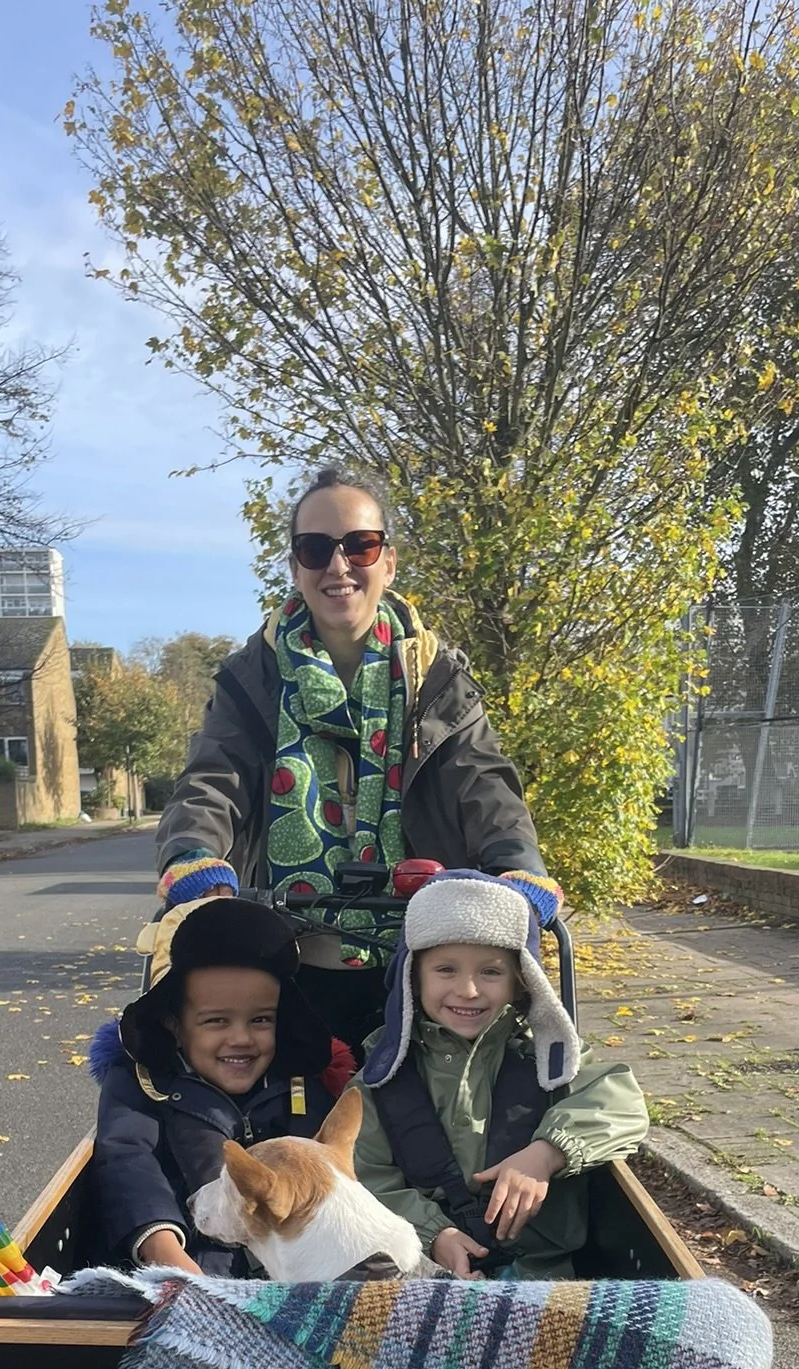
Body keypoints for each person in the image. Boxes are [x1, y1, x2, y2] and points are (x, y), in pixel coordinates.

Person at [155, 464, 557, 1054]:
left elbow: (484, 781)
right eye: (315, 549)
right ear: (295, 568)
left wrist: (517, 864)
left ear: (387, 562)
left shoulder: (437, 677)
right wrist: (192, 857)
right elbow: (213, 779)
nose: (338, 566)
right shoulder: (252, 679)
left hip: (421, 947)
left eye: (360, 546)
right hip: (290, 943)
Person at [348, 872, 649, 1279]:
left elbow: (620, 1101)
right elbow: (363, 1176)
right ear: (413, 979)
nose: (468, 990)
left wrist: (546, 1153)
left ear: (520, 981)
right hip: (421, 1265)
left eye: (490, 973)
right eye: (446, 970)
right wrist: (434, 1235)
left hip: (541, 1272)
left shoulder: (547, 1056)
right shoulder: (384, 1075)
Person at [87, 896, 352, 1275]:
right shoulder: (144, 1086)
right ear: (174, 1026)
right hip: (187, 1263)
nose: (241, 1038)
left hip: (290, 1271)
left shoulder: (300, 1089)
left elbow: (326, 1182)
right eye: (216, 1022)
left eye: (260, 1020)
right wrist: (165, 1253)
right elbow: (128, 1160)